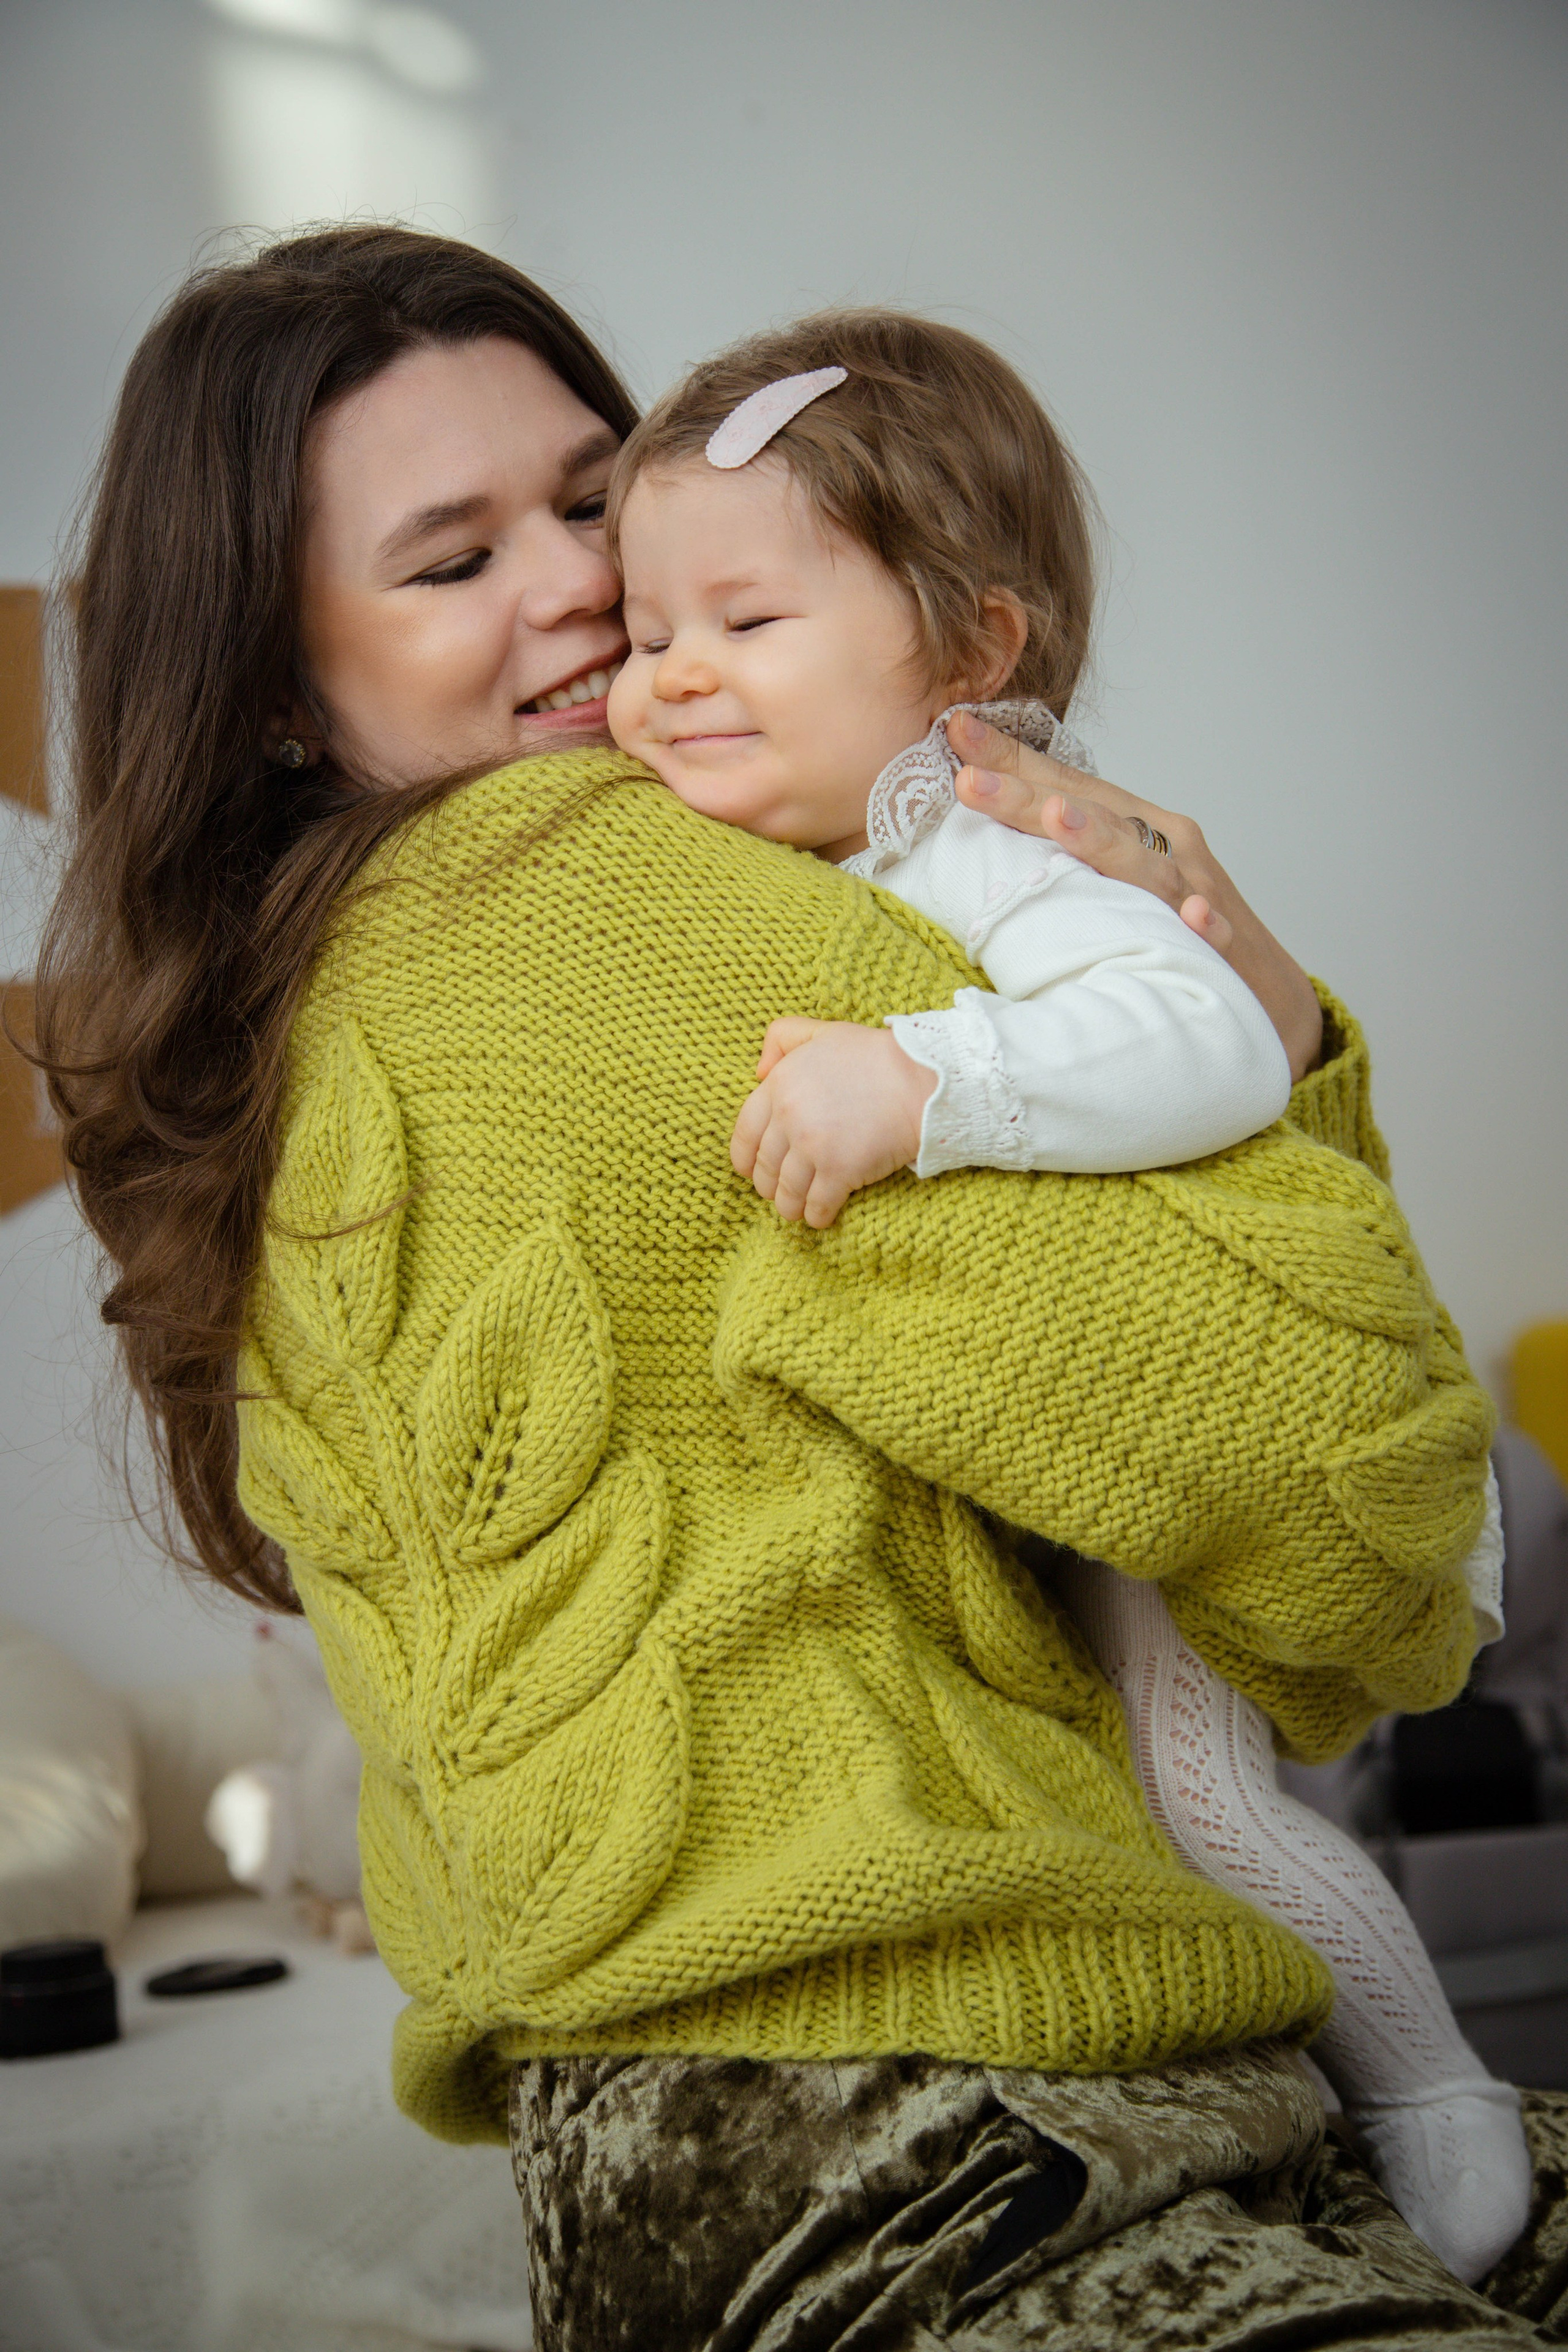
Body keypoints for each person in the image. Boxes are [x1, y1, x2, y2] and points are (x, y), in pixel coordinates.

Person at [33, 225, 1566, 2351]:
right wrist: (1282, 1040)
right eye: (449, 559)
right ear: (289, 690)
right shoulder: (587, 900)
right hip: (968, 2151)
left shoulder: (316, 1007)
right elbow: (1362, 1520)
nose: (582, 591)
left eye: (591, 498)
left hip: (677, 2177)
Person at [599, 308, 1528, 2281]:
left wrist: (928, 1090)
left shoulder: (988, 832)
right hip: (1009, 1444)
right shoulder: (798, 842)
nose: (669, 675)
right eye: (643, 626)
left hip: (1169, 1415)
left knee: (1207, 1796)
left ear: (972, 658)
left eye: (743, 624)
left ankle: (1432, 2082)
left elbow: (1204, 1038)